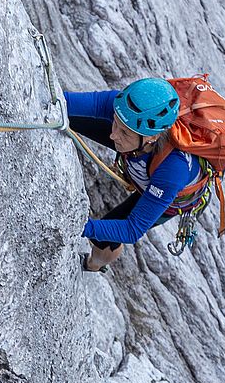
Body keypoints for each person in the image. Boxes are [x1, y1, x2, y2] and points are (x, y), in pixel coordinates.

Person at [65, 78, 203, 272]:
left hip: (166, 197)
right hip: (141, 153)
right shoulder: (125, 112)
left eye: (124, 132)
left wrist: (76, 226)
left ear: (152, 136)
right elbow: (66, 102)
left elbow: (132, 229)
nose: (114, 135)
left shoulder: (173, 169)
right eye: (115, 123)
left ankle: (93, 265)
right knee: (69, 117)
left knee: (102, 236)